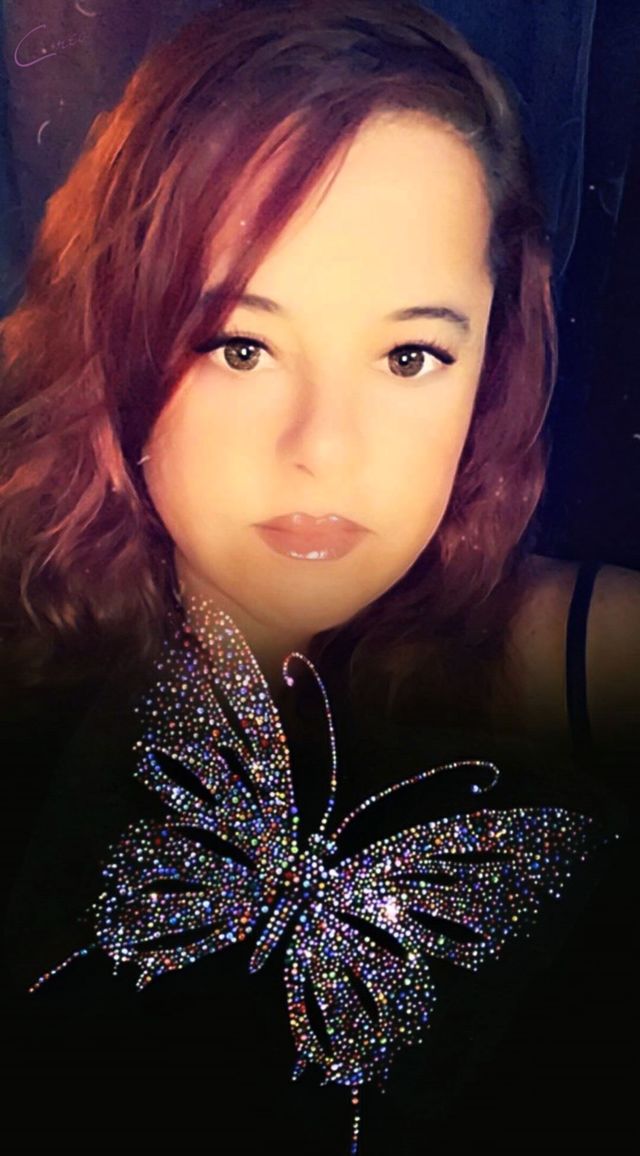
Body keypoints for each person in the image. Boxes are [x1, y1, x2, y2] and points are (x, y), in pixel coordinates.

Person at [0, 1, 635, 1152]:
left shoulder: (589, 660)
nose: (323, 450)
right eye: (240, 346)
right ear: (119, 330)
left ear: (490, 357)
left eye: (409, 355)